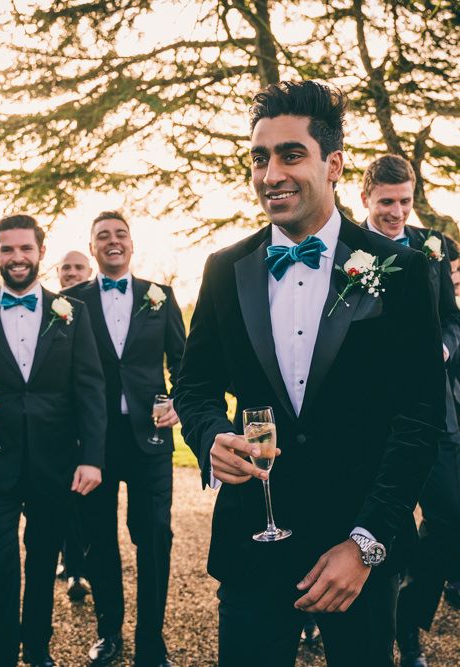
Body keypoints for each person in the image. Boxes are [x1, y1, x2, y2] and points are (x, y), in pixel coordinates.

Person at [174, 80, 446, 667]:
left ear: (335, 164)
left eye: (290, 154)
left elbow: (421, 417)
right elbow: (194, 386)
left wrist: (366, 544)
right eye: (259, 157)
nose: (271, 173)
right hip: (252, 544)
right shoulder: (225, 269)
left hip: (357, 554)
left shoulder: (399, 270)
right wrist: (208, 435)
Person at [0, 215, 106, 667]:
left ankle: (36, 647)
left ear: (40, 254)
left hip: (55, 462)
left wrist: (91, 457)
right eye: (7, 250)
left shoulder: (73, 313)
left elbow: (91, 388)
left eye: (25, 249)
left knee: (42, 561)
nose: (17, 258)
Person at [63, 212, 186, 667]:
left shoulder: (161, 297)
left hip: (150, 436)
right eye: (102, 237)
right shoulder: (69, 302)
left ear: (131, 244)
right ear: (91, 248)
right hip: (91, 441)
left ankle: (152, 642)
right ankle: (108, 632)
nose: (112, 242)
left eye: (120, 235)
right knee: (98, 538)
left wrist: (178, 400)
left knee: (155, 534)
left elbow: (183, 362)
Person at [360, 155, 460, 667]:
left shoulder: (434, 248)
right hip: (375, 417)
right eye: (386, 203)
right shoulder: (348, 251)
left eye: (405, 201)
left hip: (436, 412)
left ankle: (410, 617)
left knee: (450, 517)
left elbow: (451, 320)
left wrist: (444, 349)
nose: (397, 212)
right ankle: (405, 646)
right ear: (366, 200)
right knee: (386, 530)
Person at [54, 249, 94, 602]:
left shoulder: (100, 305)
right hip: (62, 421)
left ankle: (87, 561)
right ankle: (74, 569)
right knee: (67, 497)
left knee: (94, 500)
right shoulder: (50, 309)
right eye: (65, 267)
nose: (71, 272)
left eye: (78, 267)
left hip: (97, 415)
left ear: (90, 270)